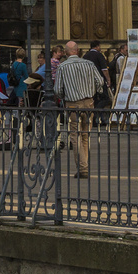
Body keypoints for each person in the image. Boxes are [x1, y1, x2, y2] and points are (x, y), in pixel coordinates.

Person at [52, 40, 102, 178]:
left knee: (75, 135)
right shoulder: (89, 64)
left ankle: (82, 167)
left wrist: (64, 96)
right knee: (85, 134)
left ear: (66, 53)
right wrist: (94, 92)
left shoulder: (62, 67)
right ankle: (84, 165)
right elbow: (100, 81)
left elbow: (57, 89)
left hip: (72, 103)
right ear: (78, 51)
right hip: (88, 103)